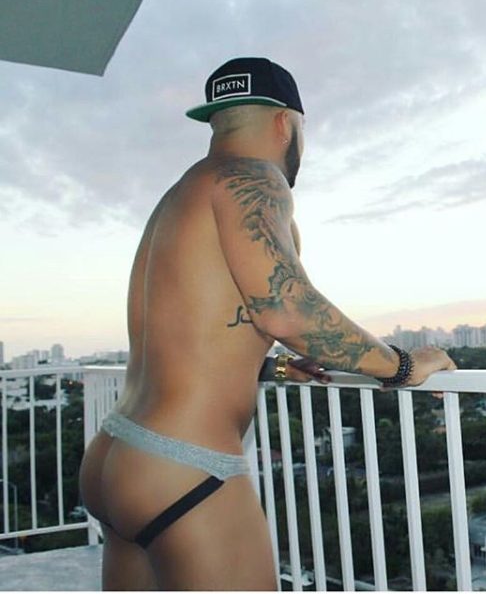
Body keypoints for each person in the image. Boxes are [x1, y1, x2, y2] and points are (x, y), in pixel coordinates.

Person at [78, 57, 457, 591]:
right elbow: (286, 308)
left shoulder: (180, 195)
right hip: (182, 466)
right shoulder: (253, 180)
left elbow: (193, 329)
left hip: (116, 454)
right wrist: (401, 365)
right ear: (285, 123)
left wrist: (272, 365)